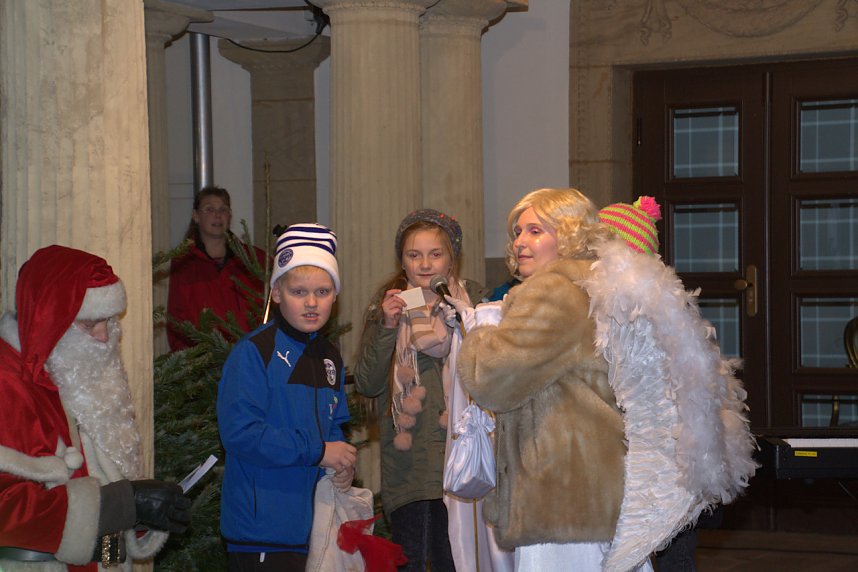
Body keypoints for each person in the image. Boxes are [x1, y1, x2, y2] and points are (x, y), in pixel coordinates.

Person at [455, 188, 756, 571]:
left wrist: (478, 334)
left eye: (535, 230)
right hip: (592, 485)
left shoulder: (554, 289)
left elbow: (491, 379)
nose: (520, 242)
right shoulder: (598, 285)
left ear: (567, 233)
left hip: (561, 492)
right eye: (517, 231)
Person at [0, 245, 191, 571]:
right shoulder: (8, 384)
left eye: (109, 321)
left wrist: (143, 508)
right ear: (49, 321)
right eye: (89, 325)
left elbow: (103, 480)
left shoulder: (69, 370)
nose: (105, 337)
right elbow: (8, 510)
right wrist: (123, 502)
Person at [354, 209, 511, 572]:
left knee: (456, 561)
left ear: (452, 257)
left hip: (465, 462)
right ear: (403, 263)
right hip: (410, 468)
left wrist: (469, 322)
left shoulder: (474, 302)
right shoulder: (389, 308)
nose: (425, 264)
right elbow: (367, 383)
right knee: (411, 559)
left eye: (435, 253)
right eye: (414, 255)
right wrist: (388, 327)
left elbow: (497, 372)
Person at [217, 223, 356, 572]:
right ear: (276, 292)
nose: (312, 303)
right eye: (299, 292)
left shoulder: (330, 358)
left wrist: (342, 465)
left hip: (315, 530)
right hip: (261, 534)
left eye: (323, 291)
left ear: (335, 296)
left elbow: (335, 427)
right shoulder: (253, 352)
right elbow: (241, 434)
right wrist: (320, 451)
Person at [167, 186, 267, 351]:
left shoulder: (253, 259)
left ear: (229, 216)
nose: (218, 215)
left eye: (223, 209)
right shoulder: (184, 263)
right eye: (209, 209)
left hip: (248, 355)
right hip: (203, 362)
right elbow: (177, 319)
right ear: (196, 216)